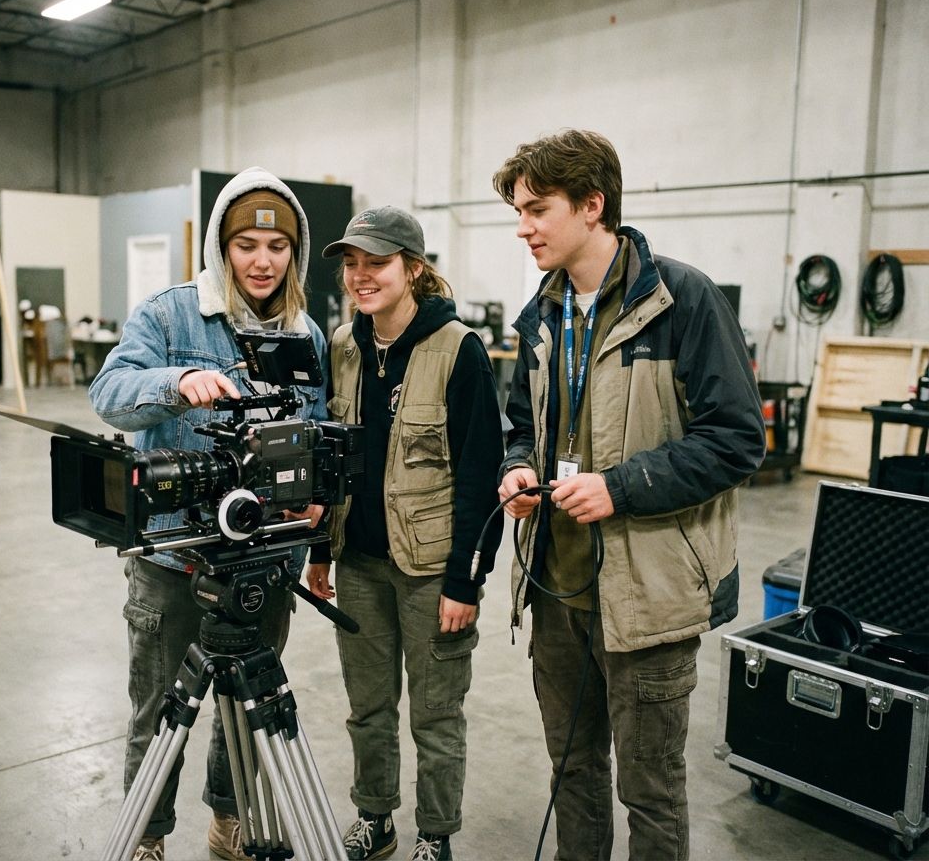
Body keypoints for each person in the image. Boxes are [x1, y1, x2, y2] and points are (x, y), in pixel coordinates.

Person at [493, 130, 765, 860]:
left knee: (651, 791)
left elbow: (739, 440)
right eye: (518, 210)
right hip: (555, 587)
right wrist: (517, 470)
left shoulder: (685, 300)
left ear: (592, 205)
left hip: (650, 597)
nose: (523, 226)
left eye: (536, 209)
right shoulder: (542, 315)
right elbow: (521, 425)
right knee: (572, 771)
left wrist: (620, 487)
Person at [89, 166, 329, 861]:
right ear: (223, 246)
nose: (262, 261)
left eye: (277, 247)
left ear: (294, 252)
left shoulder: (305, 334)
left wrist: (309, 496)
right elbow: (109, 393)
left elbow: (311, 432)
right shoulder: (170, 314)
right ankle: (148, 836)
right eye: (247, 246)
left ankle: (231, 820)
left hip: (265, 556)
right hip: (174, 557)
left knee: (247, 715)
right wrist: (176, 383)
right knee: (159, 708)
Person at [305, 207, 504, 861]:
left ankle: (435, 835)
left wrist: (464, 581)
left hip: (430, 573)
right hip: (358, 562)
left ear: (413, 269)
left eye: (377, 263)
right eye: (352, 263)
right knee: (368, 708)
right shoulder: (342, 346)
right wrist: (319, 551)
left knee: (436, 718)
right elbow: (327, 461)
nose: (361, 277)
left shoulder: (459, 351)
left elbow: (480, 477)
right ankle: (376, 818)